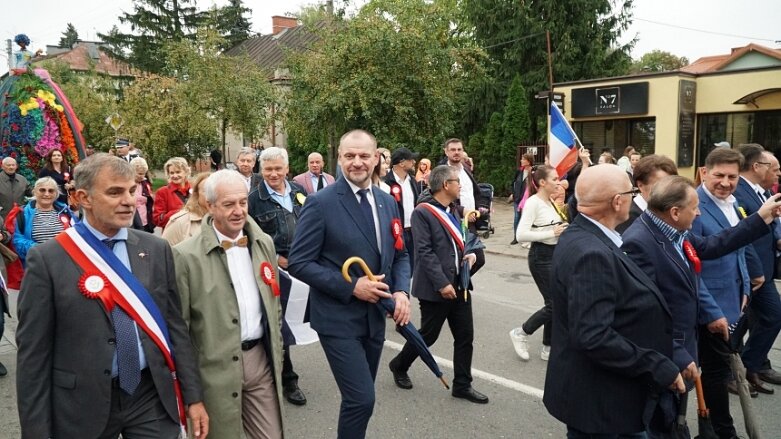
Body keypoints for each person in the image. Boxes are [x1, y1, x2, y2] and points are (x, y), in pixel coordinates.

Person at [16, 153, 207, 439]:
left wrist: (193, 396)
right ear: (84, 197)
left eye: (131, 190)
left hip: (149, 395)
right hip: (81, 404)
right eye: (115, 192)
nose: (129, 200)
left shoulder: (156, 249)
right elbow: (33, 356)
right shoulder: (47, 260)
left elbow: (174, 326)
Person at [621, 174, 781, 436]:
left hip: (683, 345)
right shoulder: (640, 242)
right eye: (694, 208)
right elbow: (645, 314)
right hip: (665, 353)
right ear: (674, 212)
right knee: (662, 422)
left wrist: (760, 218)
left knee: (674, 418)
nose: (698, 215)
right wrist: (678, 354)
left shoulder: (672, 232)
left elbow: (711, 246)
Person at [543, 164, 684, 437]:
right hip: (601, 404)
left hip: (602, 396)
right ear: (617, 201)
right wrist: (656, 365)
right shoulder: (591, 253)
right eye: (632, 191)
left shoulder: (585, 235)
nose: (634, 197)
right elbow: (592, 335)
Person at [288, 129, 411, 439]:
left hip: (375, 318)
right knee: (362, 399)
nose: (357, 162)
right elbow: (300, 262)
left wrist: (401, 291)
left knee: (359, 399)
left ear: (376, 159)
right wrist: (352, 287)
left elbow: (401, 253)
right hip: (337, 318)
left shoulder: (387, 200)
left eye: (364, 156)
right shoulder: (320, 203)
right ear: (339, 158)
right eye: (350, 156)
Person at [173, 170, 284, 439]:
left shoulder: (263, 243)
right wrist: (191, 395)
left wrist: (277, 351)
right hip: (214, 370)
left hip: (259, 360)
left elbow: (274, 304)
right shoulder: (185, 256)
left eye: (243, 202)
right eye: (228, 204)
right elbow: (180, 330)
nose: (238, 211)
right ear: (209, 206)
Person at [387, 165, 487, 403]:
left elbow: (459, 242)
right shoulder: (423, 212)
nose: (460, 185)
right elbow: (425, 251)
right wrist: (442, 283)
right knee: (428, 336)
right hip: (436, 287)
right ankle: (399, 365)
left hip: (460, 283)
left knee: (465, 336)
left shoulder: (452, 209)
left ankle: (462, 384)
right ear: (445, 185)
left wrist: (470, 255)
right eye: (456, 181)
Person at [691, 148, 757, 437]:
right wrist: (710, 310)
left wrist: (748, 281)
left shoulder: (735, 203)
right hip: (709, 307)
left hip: (736, 299)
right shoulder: (694, 205)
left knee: (721, 370)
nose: (726, 182)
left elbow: (738, 247)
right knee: (716, 373)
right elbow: (692, 265)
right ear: (705, 172)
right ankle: (721, 431)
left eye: (733, 176)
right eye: (719, 175)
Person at [248, 146, 308, 406]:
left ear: (286, 169)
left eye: (277, 168)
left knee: (297, 320)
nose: (273, 173)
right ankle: (288, 379)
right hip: (272, 269)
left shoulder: (299, 192)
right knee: (278, 324)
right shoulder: (253, 199)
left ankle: (273, 367)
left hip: (301, 266)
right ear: (261, 170)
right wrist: (275, 258)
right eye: (268, 169)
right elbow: (249, 239)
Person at [733, 144, 781, 393]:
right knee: (773, 315)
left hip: (764, 267)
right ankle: (746, 365)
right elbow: (744, 235)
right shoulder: (740, 193)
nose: (777, 173)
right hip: (753, 270)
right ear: (757, 166)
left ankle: (743, 366)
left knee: (741, 321)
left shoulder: (760, 192)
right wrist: (754, 270)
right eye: (772, 167)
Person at [510, 165, 568, 362]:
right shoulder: (533, 202)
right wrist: (552, 233)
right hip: (540, 257)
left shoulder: (550, 201)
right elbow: (521, 234)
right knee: (555, 303)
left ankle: (548, 347)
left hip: (555, 254)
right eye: (555, 178)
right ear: (542, 182)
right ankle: (522, 332)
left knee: (554, 302)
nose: (558, 182)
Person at [8, 177, 75, 266]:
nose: (46, 194)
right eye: (42, 190)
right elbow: (17, 241)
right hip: (37, 266)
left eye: (51, 191)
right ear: (35, 191)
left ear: (56, 194)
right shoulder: (23, 214)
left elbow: (77, 234)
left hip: (64, 265)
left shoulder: (65, 211)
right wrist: (42, 250)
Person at [615, 154, 678, 234]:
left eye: (672, 184)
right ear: (640, 185)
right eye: (661, 185)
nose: (668, 190)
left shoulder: (671, 212)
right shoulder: (627, 218)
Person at [385, 147, 419, 271]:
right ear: (402, 162)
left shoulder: (412, 181)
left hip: (413, 231)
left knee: (411, 267)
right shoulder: (387, 182)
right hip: (395, 232)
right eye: (411, 160)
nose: (414, 162)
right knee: (396, 266)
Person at [161, 172, 211, 246]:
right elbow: (164, 253)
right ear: (196, 194)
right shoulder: (179, 222)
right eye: (207, 191)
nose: (212, 195)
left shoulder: (229, 220)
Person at [153, 157, 191, 229]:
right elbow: (157, 220)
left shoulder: (194, 189)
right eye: (172, 173)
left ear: (186, 172)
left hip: (193, 233)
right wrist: (178, 212)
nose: (175, 176)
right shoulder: (162, 192)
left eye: (178, 172)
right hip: (173, 234)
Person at [510, 153, 534, 245]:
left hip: (527, 200)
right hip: (517, 199)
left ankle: (526, 236)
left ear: (528, 161)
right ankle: (516, 237)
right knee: (517, 217)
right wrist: (512, 193)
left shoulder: (533, 172)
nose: (521, 161)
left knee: (526, 218)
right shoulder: (519, 171)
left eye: (523, 159)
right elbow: (513, 182)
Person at [130, 157, 154, 233]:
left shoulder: (145, 184)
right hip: (132, 220)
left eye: (144, 173)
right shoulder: (127, 184)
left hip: (145, 220)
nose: (142, 176)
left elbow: (150, 200)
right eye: (140, 173)